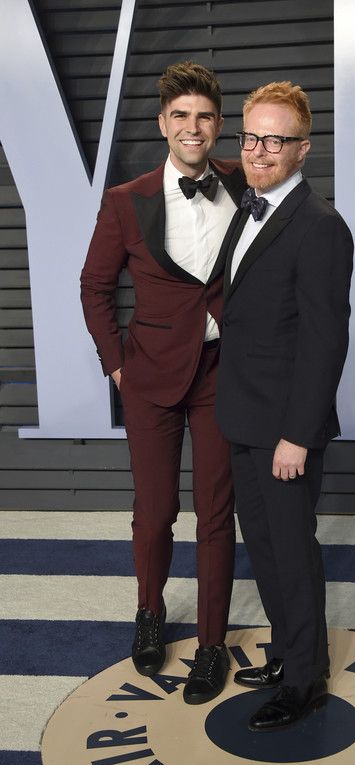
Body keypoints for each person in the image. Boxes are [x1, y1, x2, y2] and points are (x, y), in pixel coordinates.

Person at [81, 61, 246, 705]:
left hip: (222, 372)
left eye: (204, 116)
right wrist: (116, 364)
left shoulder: (244, 184)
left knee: (216, 513)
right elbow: (95, 287)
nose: (192, 127)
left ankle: (211, 645)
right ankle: (149, 613)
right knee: (154, 512)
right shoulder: (127, 200)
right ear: (162, 124)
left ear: (219, 125)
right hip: (149, 374)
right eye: (181, 116)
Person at [216, 81, 353, 731]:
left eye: (276, 140)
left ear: (302, 149)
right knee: (265, 548)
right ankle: (288, 651)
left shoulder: (320, 226)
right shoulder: (247, 210)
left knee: (292, 553)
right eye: (251, 137)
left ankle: (304, 680)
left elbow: (326, 341)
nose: (259, 150)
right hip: (243, 415)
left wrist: (298, 435)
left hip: (285, 430)